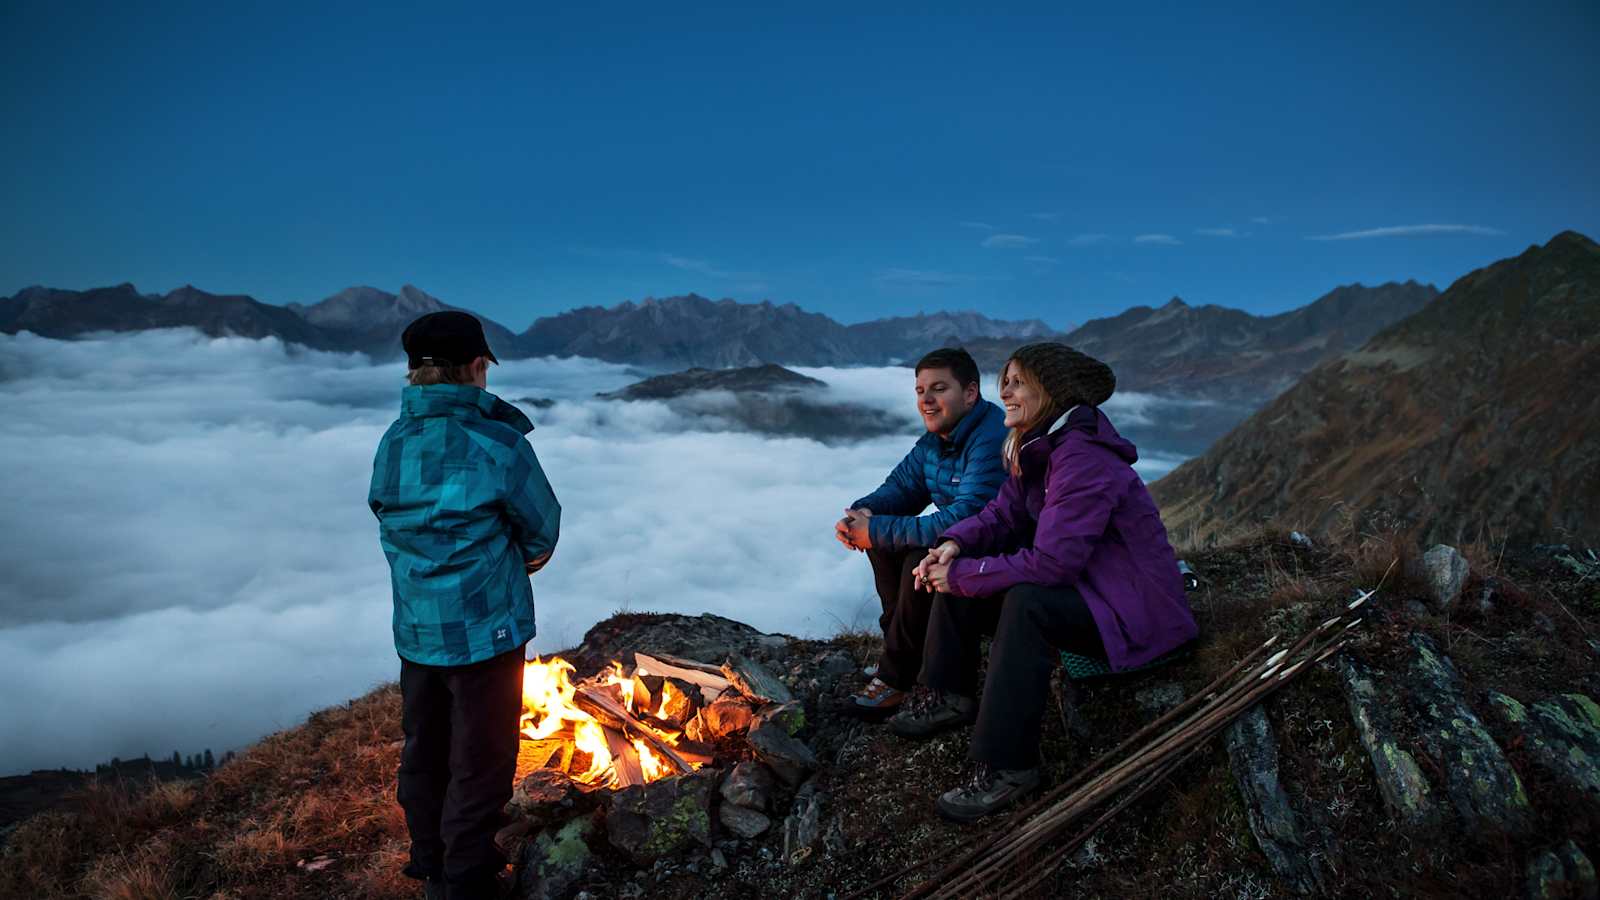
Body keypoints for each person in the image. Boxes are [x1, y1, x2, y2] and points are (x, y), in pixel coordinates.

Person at [890, 341, 1198, 822]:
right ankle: (945, 693)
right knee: (973, 565)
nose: (1006, 393)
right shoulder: (1039, 446)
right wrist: (955, 543)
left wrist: (965, 575)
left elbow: (1054, 564)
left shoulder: (1082, 457)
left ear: (1050, 390)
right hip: (1093, 593)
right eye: (1005, 382)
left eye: (1017, 383)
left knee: (1025, 603)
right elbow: (1002, 513)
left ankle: (1008, 765)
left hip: (1136, 613)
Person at [368, 311, 561, 900]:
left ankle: (429, 864)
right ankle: (468, 880)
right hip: (486, 631)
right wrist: (508, 565)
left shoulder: (394, 441)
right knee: (481, 759)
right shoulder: (498, 442)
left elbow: (384, 511)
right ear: (478, 367)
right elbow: (541, 529)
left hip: (418, 630)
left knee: (425, 749)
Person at [835, 347, 1008, 716]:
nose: (926, 400)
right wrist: (863, 514)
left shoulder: (990, 439)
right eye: (919, 391)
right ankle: (901, 654)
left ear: (971, 393)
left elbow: (968, 516)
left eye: (939, 389)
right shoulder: (938, 439)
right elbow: (901, 488)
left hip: (1000, 553)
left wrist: (877, 529)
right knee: (883, 544)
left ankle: (896, 680)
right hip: (960, 543)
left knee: (916, 554)